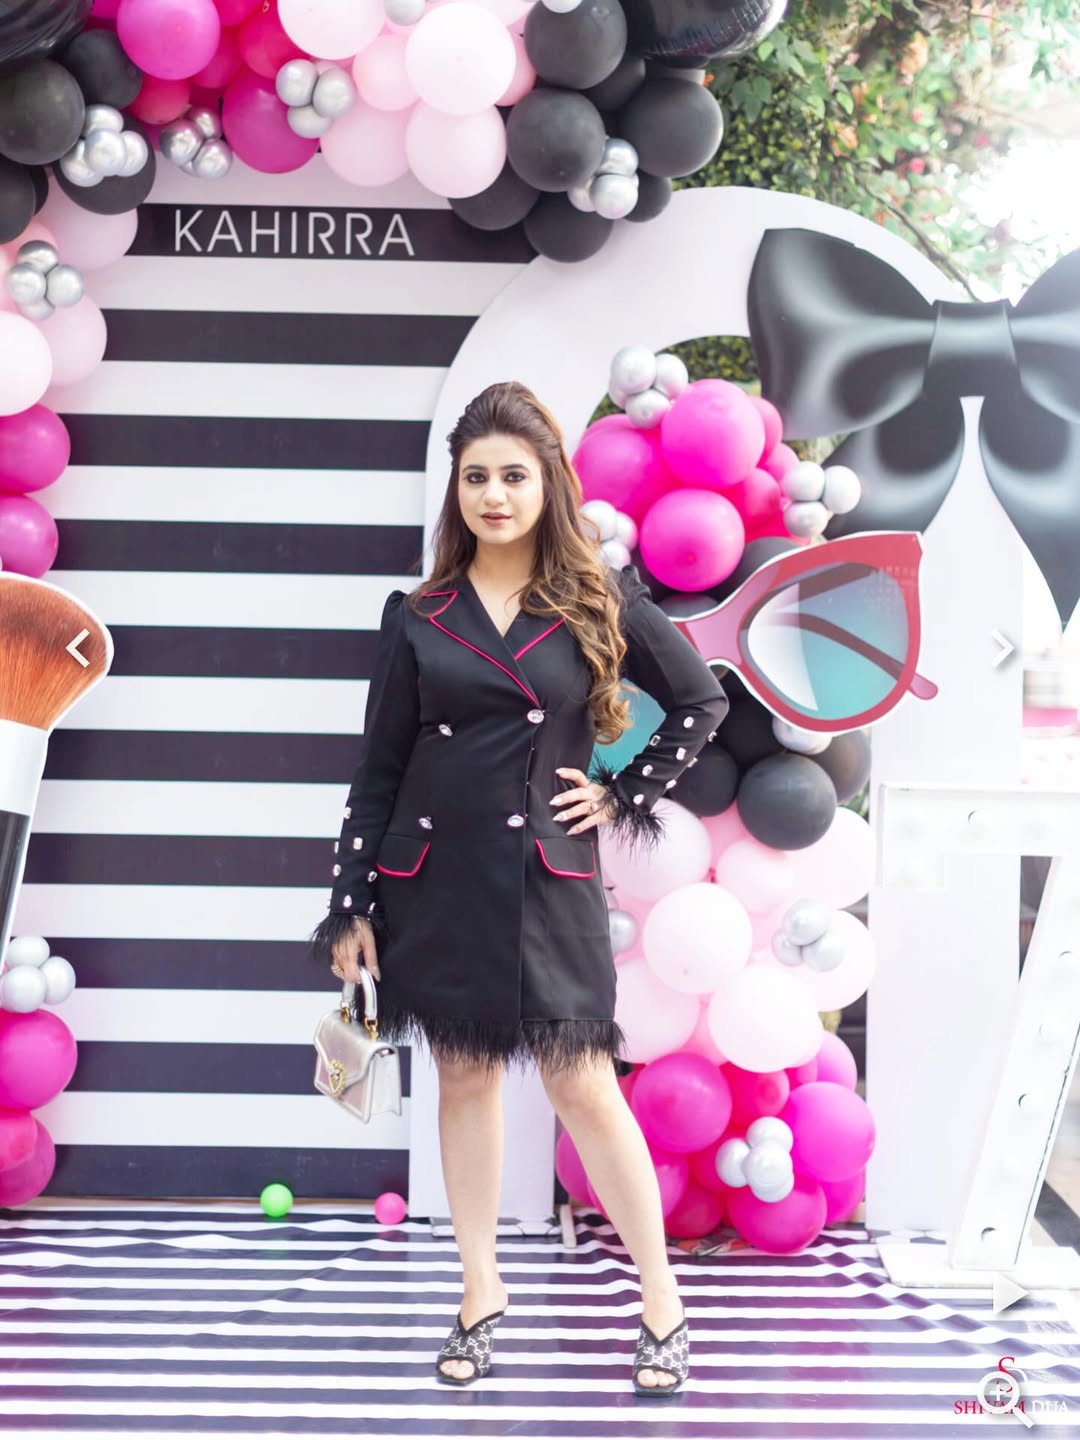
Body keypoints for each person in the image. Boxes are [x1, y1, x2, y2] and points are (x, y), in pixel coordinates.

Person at [309, 380, 730, 1397]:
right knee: (465, 1077)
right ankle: (479, 1290)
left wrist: (622, 791)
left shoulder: (597, 595)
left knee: (584, 1082)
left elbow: (701, 702)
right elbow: (379, 767)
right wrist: (352, 901)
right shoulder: (417, 615)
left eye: (514, 475)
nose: (495, 494)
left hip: (550, 878)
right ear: (457, 490)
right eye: (478, 477)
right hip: (433, 878)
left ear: (548, 484)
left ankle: (662, 1299)